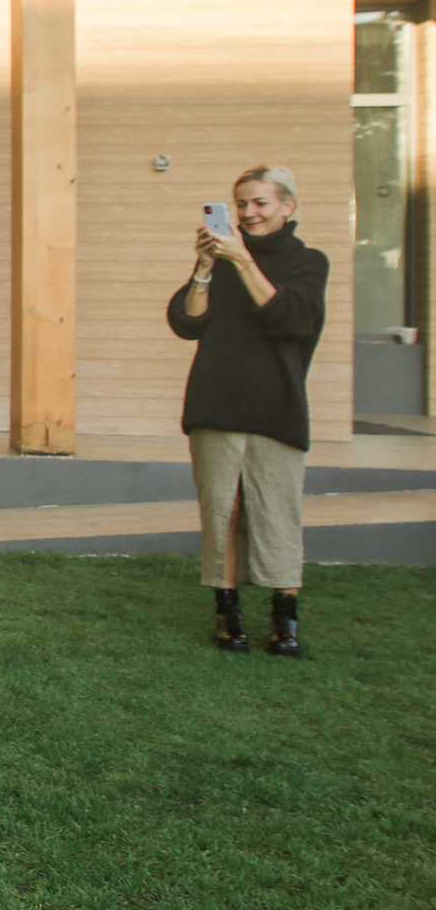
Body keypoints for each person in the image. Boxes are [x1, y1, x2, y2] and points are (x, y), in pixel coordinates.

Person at [167, 165, 329, 658]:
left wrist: (241, 261)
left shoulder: (308, 262)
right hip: (215, 402)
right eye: (241, 204)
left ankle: (285, 621)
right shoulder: (222, 259)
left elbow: (287, 318)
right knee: (223, 511)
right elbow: (186, 323)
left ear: (287, 207)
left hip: (276, 405)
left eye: (259, 203)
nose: (248, 213)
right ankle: (228, 614)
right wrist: (204, 268)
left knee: (278, 512)